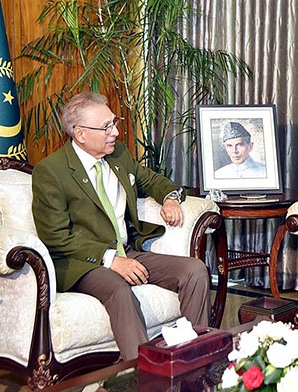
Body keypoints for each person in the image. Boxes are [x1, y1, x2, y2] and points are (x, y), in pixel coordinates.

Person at [32, 91, 210, 361]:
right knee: (118, 290)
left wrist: (171, 199)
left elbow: (151, 181)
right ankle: (142, 374)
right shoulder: (51, 171)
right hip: (82, 262)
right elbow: (55, 236)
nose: (114, 131)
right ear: (79, 133)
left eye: (114, 122)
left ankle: (194, 361)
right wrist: (110, 260)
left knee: (194, 270)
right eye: (106, 127)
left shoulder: (118, 156)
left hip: (127, 249)